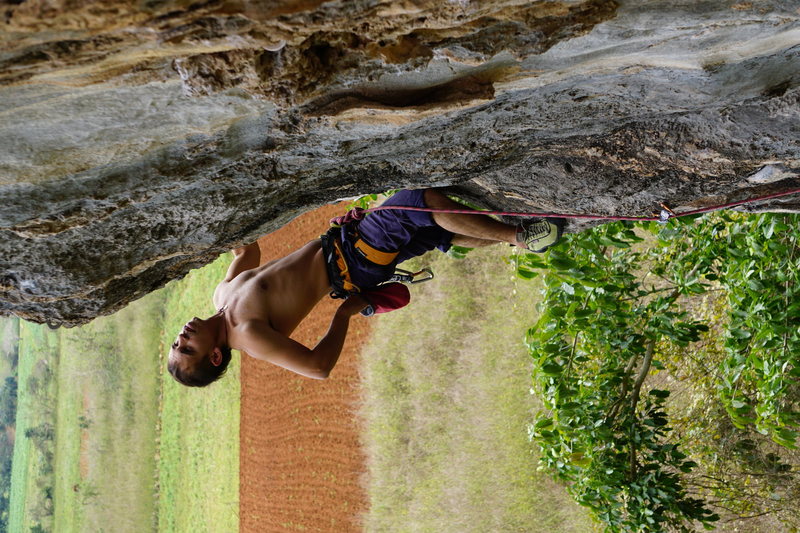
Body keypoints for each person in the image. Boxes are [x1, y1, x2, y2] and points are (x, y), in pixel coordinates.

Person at [168, 189, 564, 386]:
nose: (182, 337)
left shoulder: (222, 296)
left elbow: (247, 247)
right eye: (188, 349)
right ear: (216, 356)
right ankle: (521, 236)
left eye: (176, 343)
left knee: (441, 229)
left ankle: (529, 233)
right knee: (417, 201)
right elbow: (317, 368)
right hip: (353, 262)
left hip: (346, 247)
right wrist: (345, 312)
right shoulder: (248, 335)